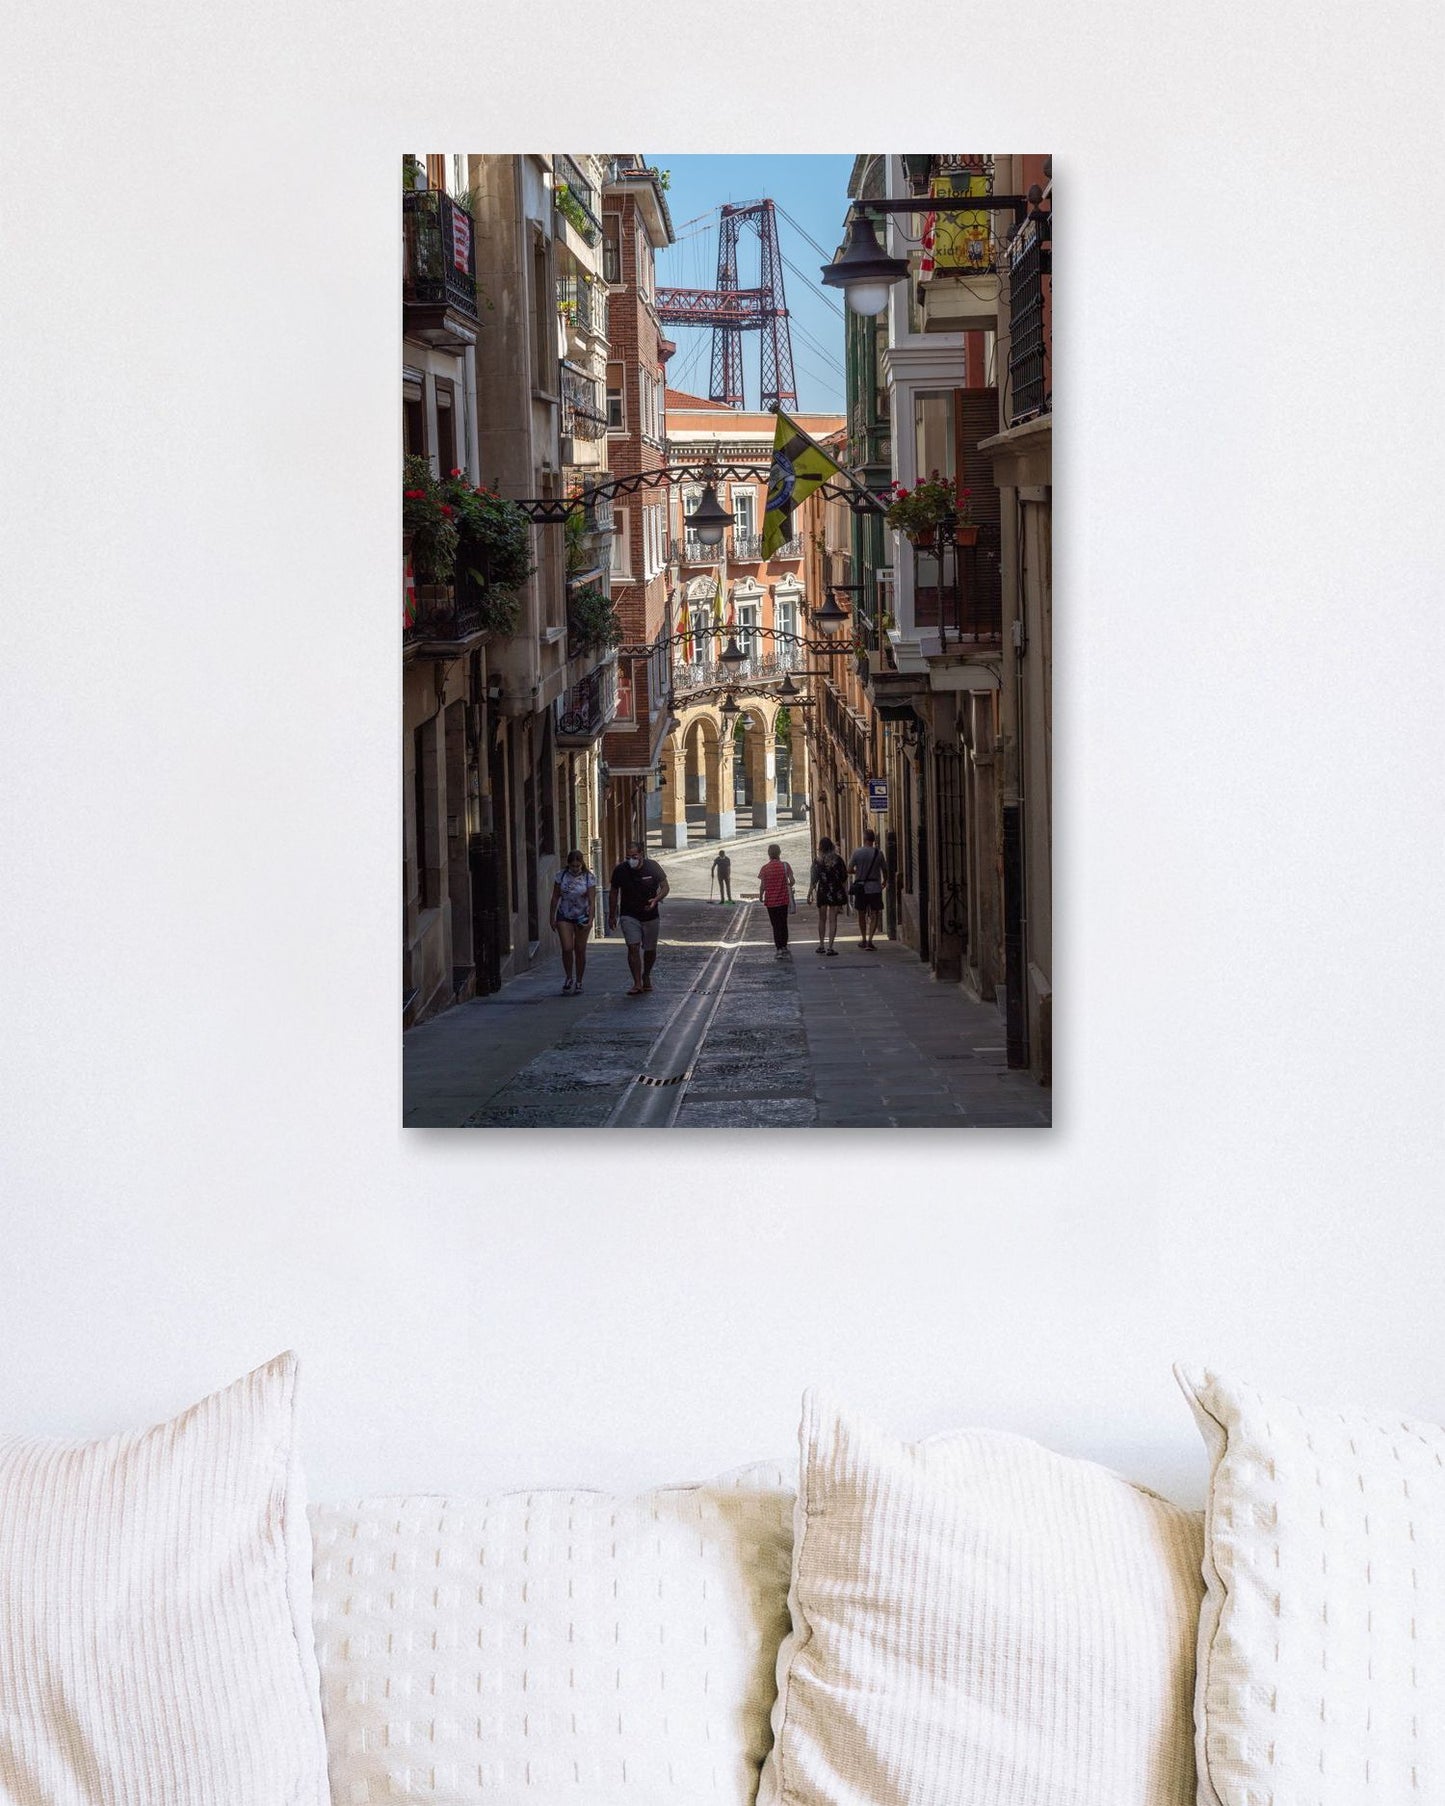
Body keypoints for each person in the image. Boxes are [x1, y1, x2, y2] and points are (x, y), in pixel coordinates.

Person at [607, 841, 670, 996]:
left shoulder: (653, 867)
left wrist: (656, 899)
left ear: (641, 854)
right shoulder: (620, 870)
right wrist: (612, 914)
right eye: (628, 857)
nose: (631, 860)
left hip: (650, 915)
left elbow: (665, 886)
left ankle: (646, 974)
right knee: (633, 947)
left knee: (650, 950)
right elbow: (614, 892)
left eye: (634, 856)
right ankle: (637, 983)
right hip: (629, 915)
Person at [548, 850, 596, 995]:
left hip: (582, 916)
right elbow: (555, 897)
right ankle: (569, 977)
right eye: (572, 866)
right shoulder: (561, 876)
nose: (575, 869)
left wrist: (591, 920)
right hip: (564, 915)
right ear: (568, 865)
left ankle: (579, 980)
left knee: (580, 950)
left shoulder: (589, 878)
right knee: (567, 948)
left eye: (578, 866)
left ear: (582, 864)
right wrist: (552, 917)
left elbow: (592, 901)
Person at [807, 836, 849, 956]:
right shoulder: (838, 860)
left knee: (822, 919)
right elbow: (844, 877)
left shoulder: (817, 862)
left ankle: (821, 945)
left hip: (822, 891)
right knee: (833, 920)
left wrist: (810, 893)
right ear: (832, 847)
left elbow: (813, 880)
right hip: (835, 891)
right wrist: (843, 892)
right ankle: (830, 947)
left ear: (820, 848)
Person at [848, 828, 888, 950]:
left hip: (861, 888)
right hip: (875, 887)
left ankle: (864, 939)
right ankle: (870, 940)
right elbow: (885, 870)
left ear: (864, 839)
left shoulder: (857, 852)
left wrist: (858, 872)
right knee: (875, 913)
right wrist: (884, 881)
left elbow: (849, 869)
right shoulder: (879, 853)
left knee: (861, 913)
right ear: (873, 840)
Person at [757, 843, 796, 957]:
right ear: (779, 853)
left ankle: (778, 948)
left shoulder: (765, 868)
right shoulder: (785, 866)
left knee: (775, 925)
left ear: (769, 854)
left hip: (771, 902)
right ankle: (784, 946)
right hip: (783, 900)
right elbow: (792, 880)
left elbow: (763, 885)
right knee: (783, 923)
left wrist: (761, 895)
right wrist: (786, 885)